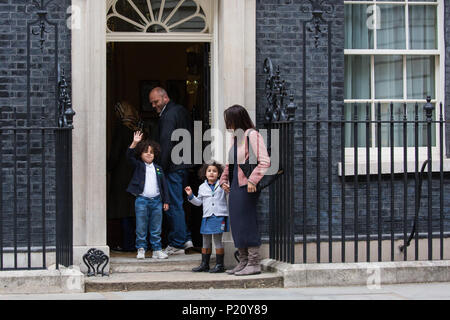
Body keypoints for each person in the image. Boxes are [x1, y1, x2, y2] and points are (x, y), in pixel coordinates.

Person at [219, 105, 270, 276]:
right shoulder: (236, 138)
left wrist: (253, 180)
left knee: (247, 222)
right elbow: (230, 163)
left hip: (247, 186)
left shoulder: (252, 135)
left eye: (229, 120)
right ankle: (243, 261)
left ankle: (254, 262)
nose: (228, 124)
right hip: (235, 185)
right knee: (237, 223)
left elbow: (265, 161)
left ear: (237, 119)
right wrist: (223, 179)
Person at [149, 87, 194, 255]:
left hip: (172, 167)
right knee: (180, 203)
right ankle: (187, 238)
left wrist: (160, 168)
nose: (154, 105)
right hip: (184, 165)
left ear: (165, 98)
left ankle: (177, 242)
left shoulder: (168, 116)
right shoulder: (181, 111)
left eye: (156, 101)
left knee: (173, 204)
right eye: (152, 103)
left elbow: (166, 143)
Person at [126, 131, 170, 260]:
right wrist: (135, 142)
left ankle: (157, 249)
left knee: (156, 227)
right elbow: (128, 157)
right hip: (142, 200)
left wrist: (166, 201)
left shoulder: (158, 168)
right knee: (141, 226)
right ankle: (141, 249)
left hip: (157, 201)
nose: (149, 154)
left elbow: (164, 187)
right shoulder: (138, 166)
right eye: (146, 151)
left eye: (151, 152)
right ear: (141, 154)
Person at [107, 101, 144, 252]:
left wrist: (108, 167)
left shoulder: (121, 129)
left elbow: (115, 153)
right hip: (135, 174)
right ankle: (137, 243)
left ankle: (127, 244)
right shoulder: (138, 129)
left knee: (123, 211)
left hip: (121, 176)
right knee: (134, 210)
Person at [185, 162, 229, 273]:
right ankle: (204, 264)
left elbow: (229, 194)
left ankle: (220, 265)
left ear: (219, 174)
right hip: (207, 216)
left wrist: (227, 188)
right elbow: (199, 202)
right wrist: (191, 195)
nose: (211, 173)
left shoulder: (222, 184)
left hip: (219, 216)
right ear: (205, 173)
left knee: (218, 240)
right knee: (205, 241)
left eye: (214, 171)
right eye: (209, 171)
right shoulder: (202, 187)